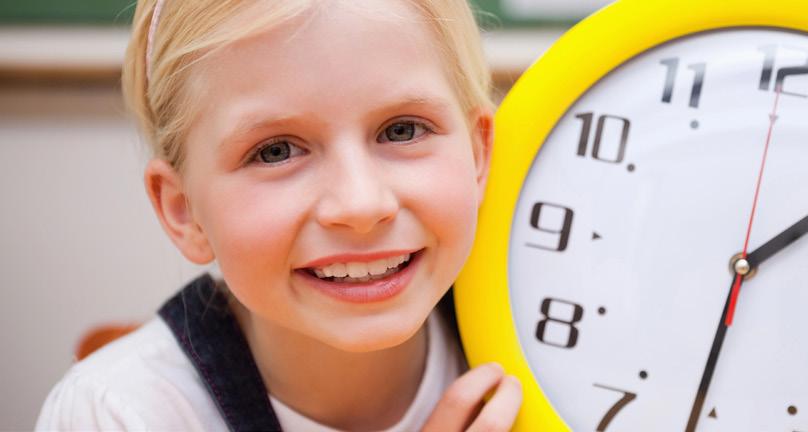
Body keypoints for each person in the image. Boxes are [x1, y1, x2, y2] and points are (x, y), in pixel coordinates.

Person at [36, 0, 522, 430]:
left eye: (402, 131)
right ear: (184, 211)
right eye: (276, 152)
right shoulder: (118, 414)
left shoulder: (549, 372)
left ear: (478, 154)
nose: (360, 205)